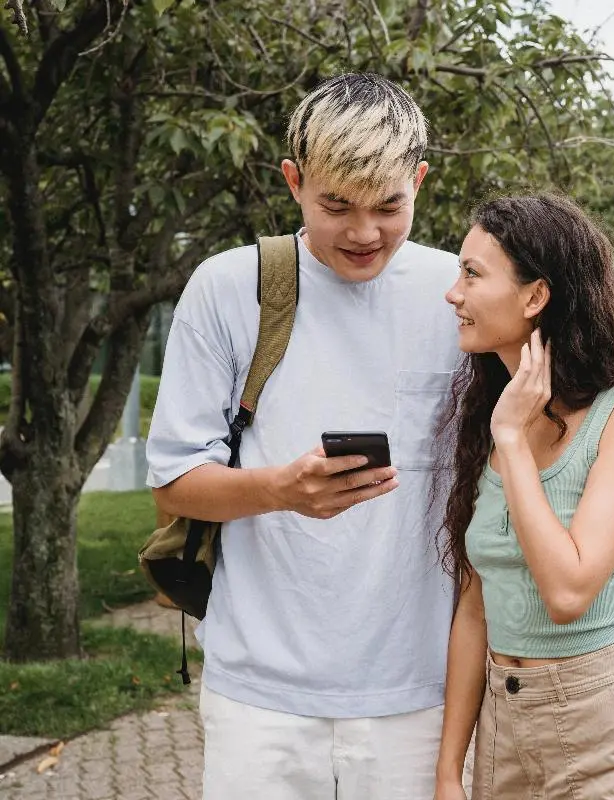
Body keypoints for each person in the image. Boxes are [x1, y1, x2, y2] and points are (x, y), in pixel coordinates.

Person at [146, 73, 461, 799]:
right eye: (336, 206)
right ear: (293, 181)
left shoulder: (458, 295)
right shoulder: (231, 287)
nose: (363, 233)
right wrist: (279, 490)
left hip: (414, 692)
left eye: (390, 206)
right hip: (258, 694)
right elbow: (170, 483)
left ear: (420, 180)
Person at [434, 193, 614, 799]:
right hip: (505, 733)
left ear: (535, 295)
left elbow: (569, 590)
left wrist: (513, 442)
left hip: (606, 727)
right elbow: (475, 607)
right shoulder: (486, 417)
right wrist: (451, 768)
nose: (454, 293)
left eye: (473, 274)